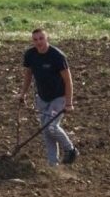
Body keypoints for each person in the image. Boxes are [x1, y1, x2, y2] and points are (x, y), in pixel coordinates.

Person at [18, 28, 79, 167]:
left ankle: (70, 149)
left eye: (41, 38)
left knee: (51, 127)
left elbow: (68, 81)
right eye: (35, 39)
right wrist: (23, 93)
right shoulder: (30, 55)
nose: (38, 42)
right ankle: (53, 164)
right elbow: (28, 74)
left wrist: (69, 103)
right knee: (46, 131)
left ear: (47, 39)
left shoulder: (57, 56)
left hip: (59, 97)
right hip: (42, 97)